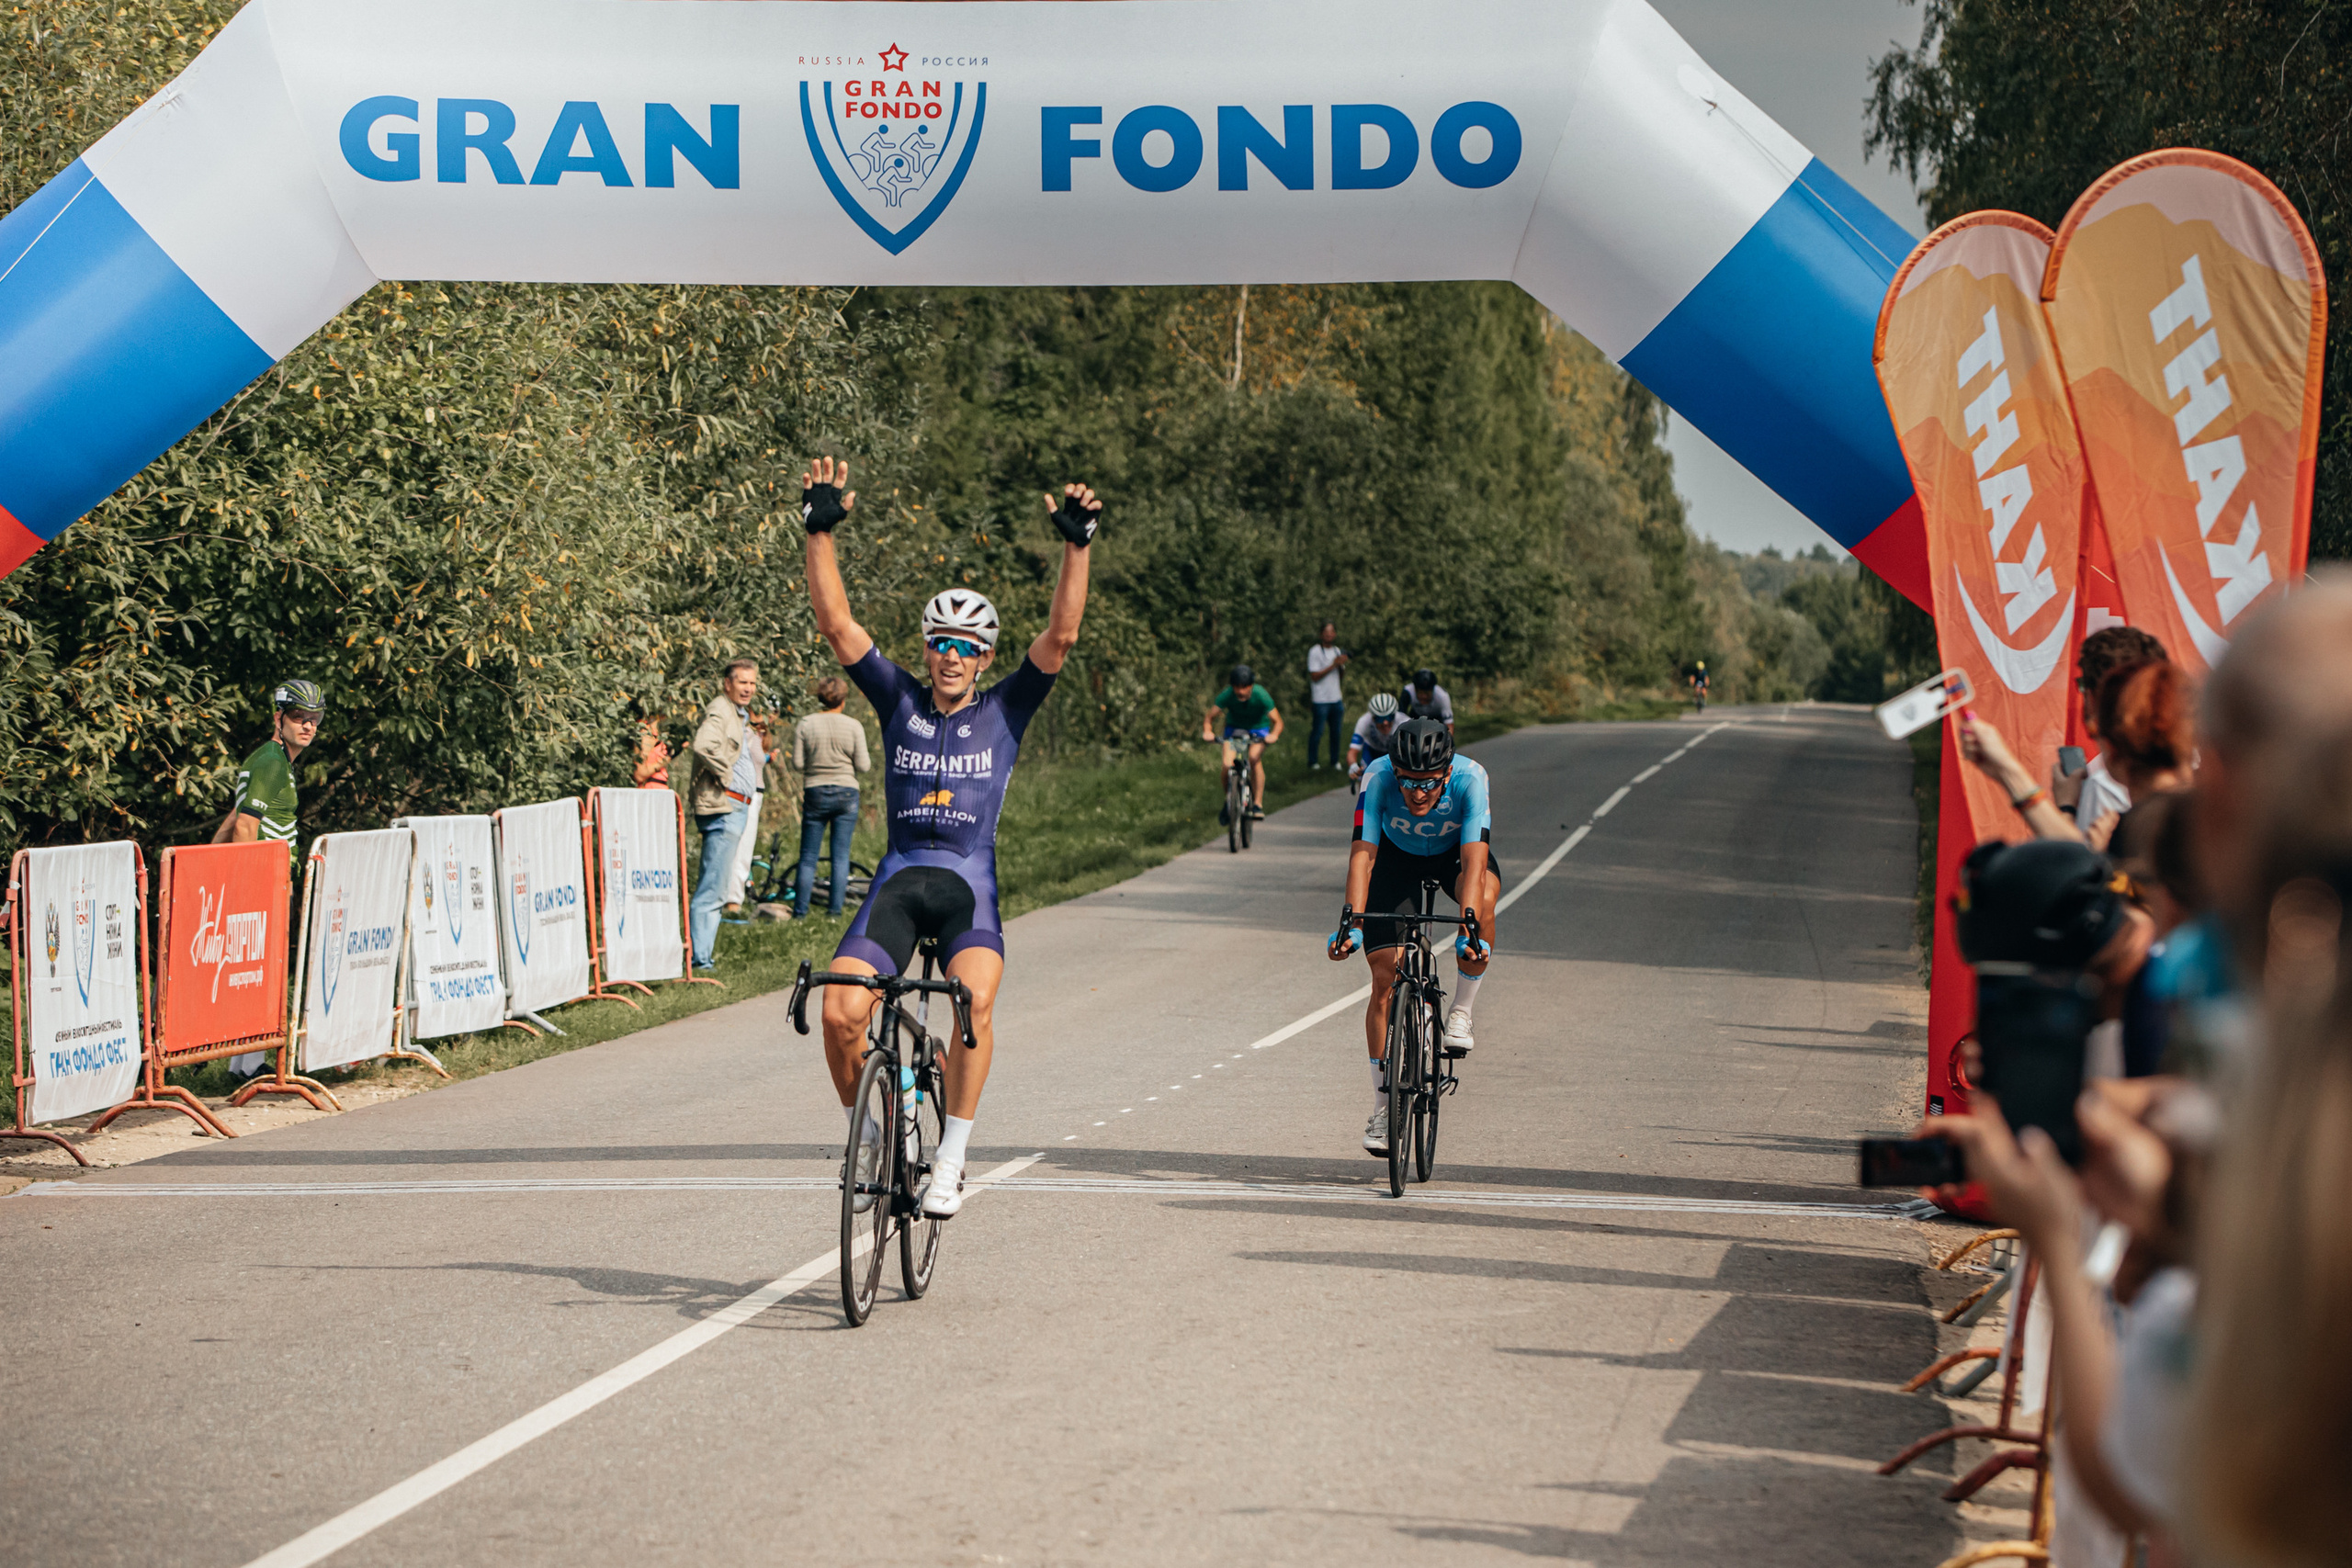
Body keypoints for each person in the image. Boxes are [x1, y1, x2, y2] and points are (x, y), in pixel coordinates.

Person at [800, 454, 1098, 1219]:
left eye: (967, 646)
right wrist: (818, 532)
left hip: (967, 884)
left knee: (974, 1001)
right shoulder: (897, 698)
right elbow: (837, 625)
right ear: (927, 647)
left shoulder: (1005, 709)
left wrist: (1076, 548)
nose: (952, 656)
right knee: (838, 1012)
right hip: (901, 878)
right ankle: (870, 1132)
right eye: (941, 642)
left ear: (986, 656)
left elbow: (1062, 636)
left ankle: (954, 1156)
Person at [1327, 717, 1498, 1155]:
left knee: (1485, 899)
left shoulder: (1471, 779)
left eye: (1429, 783)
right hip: (1395, 860)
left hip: (1452, 857)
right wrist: (1352, 923)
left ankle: (1461, 1011)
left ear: (1447, 773)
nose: (1417, 794)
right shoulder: (1377, 776)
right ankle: (1384, 1107)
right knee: (1385, 978)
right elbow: (1363, 856)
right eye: (1407, 782)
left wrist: (1469, 925)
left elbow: (1475, 864)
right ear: (1394, 771)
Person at [214, 678, 322, 1076]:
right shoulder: (273, 762)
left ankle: (243, 1065)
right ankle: (251, 1065)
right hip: (262, 878)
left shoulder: (275, 761)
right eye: (298, 716)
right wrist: (249, 883)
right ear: (279, 718)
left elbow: (235, 816)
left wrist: (208, 862)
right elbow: (246, 826)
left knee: (256, 970)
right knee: (264, 969)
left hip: (268, 877)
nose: (307, 725)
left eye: (314, 718)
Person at [687, 659, 770, 969]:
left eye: (752, 683)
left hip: (734, 807)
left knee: (719, 885)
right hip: (724, 807)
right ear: (727, 684)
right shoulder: (721, 710)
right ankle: (700, 961)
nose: (748, 688)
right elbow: (703, 745)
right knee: (713, 887)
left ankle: (702, 956)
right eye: (742, 682)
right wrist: (726, 775)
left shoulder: (736, 713)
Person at [2053, 626, 2166, 829]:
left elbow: (2078, 850)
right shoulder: (2205, 763)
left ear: (2092, 698)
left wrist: (2067, 808)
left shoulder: (2103, 786)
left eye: (2082, 685)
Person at [791, 674, 871, 918]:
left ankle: (800, 911)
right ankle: (834, 912)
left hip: (815, 790)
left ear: (819, 699)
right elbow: (864, 766)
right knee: (841, 856)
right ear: (843, 700)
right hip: (846, 792)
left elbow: (798, 763)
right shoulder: (853, 726)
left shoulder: (806, 724)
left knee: (808, 857)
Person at [1202, 664, 1282, 823]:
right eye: (1237, 687)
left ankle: (1257, 804)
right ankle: (1230, 800)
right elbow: (1209, 717)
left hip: (1258, 730)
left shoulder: (1260, 695)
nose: (1241, 691)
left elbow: (1278, 721)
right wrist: (1208, 731)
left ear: (1251, 685)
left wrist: (1273, 735)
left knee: (1253, 758)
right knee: (1227, 765)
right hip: (1235, 730)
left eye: (1245, 687)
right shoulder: (1228, 695)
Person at [1305, 622, 1349, 771]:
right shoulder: (1315, 651)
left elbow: (1340, 676)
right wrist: (1333, 665)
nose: (1329, 635)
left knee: (1336, 732)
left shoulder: (1337, 651)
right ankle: (1312, 761)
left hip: (1336, 698)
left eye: (1331, 632)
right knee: (1318, 731)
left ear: (1335, 634)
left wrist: (1341, 665)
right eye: (1326, 632)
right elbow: (1314, 676)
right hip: (1320, 699)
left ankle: (1335, 761)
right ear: (1321, 634)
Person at [1346, 692, 1401, 792]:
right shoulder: (1364, 722)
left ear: (1395, 714)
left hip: (1394, 753)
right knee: (1365, 779)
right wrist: (1353, 766)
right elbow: (1352, 751)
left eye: (1389, 717)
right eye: (1380, 719)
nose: (1385, 723)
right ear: (1372, 717)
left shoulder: (1403, 721)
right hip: (1372, 751)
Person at [1400, 669, 1453, 734]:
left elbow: (1449, 724)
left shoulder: (1442, 696)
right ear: (1415, 689)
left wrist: (1449, 738)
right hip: (1416, 717)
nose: (1424, 697)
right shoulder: (1408, 691)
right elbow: (1400, 716)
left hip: (1436, 719)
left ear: (1433, 690)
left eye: (1427, 693)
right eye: (1420, 693)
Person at [630, 712, 671, 788]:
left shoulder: (658, 731)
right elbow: (640, 775)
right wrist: (665, 761)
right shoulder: (647, 733)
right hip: (650, 790)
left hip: (659, 789)